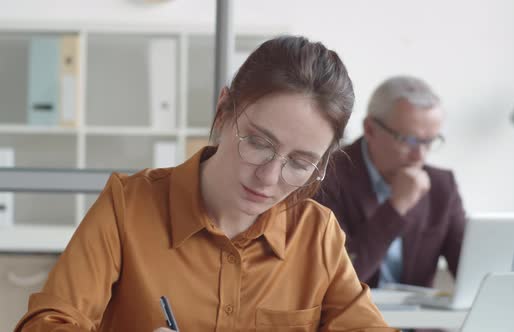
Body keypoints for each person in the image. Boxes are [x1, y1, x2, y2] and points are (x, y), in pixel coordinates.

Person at [14, 36, 397, 331]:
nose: (269, 178)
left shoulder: (316, 233)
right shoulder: (127, 207)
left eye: (301, 163)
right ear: (223, 110)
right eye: (259, 143)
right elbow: (47, 322)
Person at [314, 76, 466, 288]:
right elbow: (336, 280)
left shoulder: (442, 186)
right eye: (409, 140)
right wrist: (396, 208)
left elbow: (469, 272)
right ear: (370, 130)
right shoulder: (327, 177)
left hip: (416, 321)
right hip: (348, 319)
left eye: (429, 142)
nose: (419, 156)